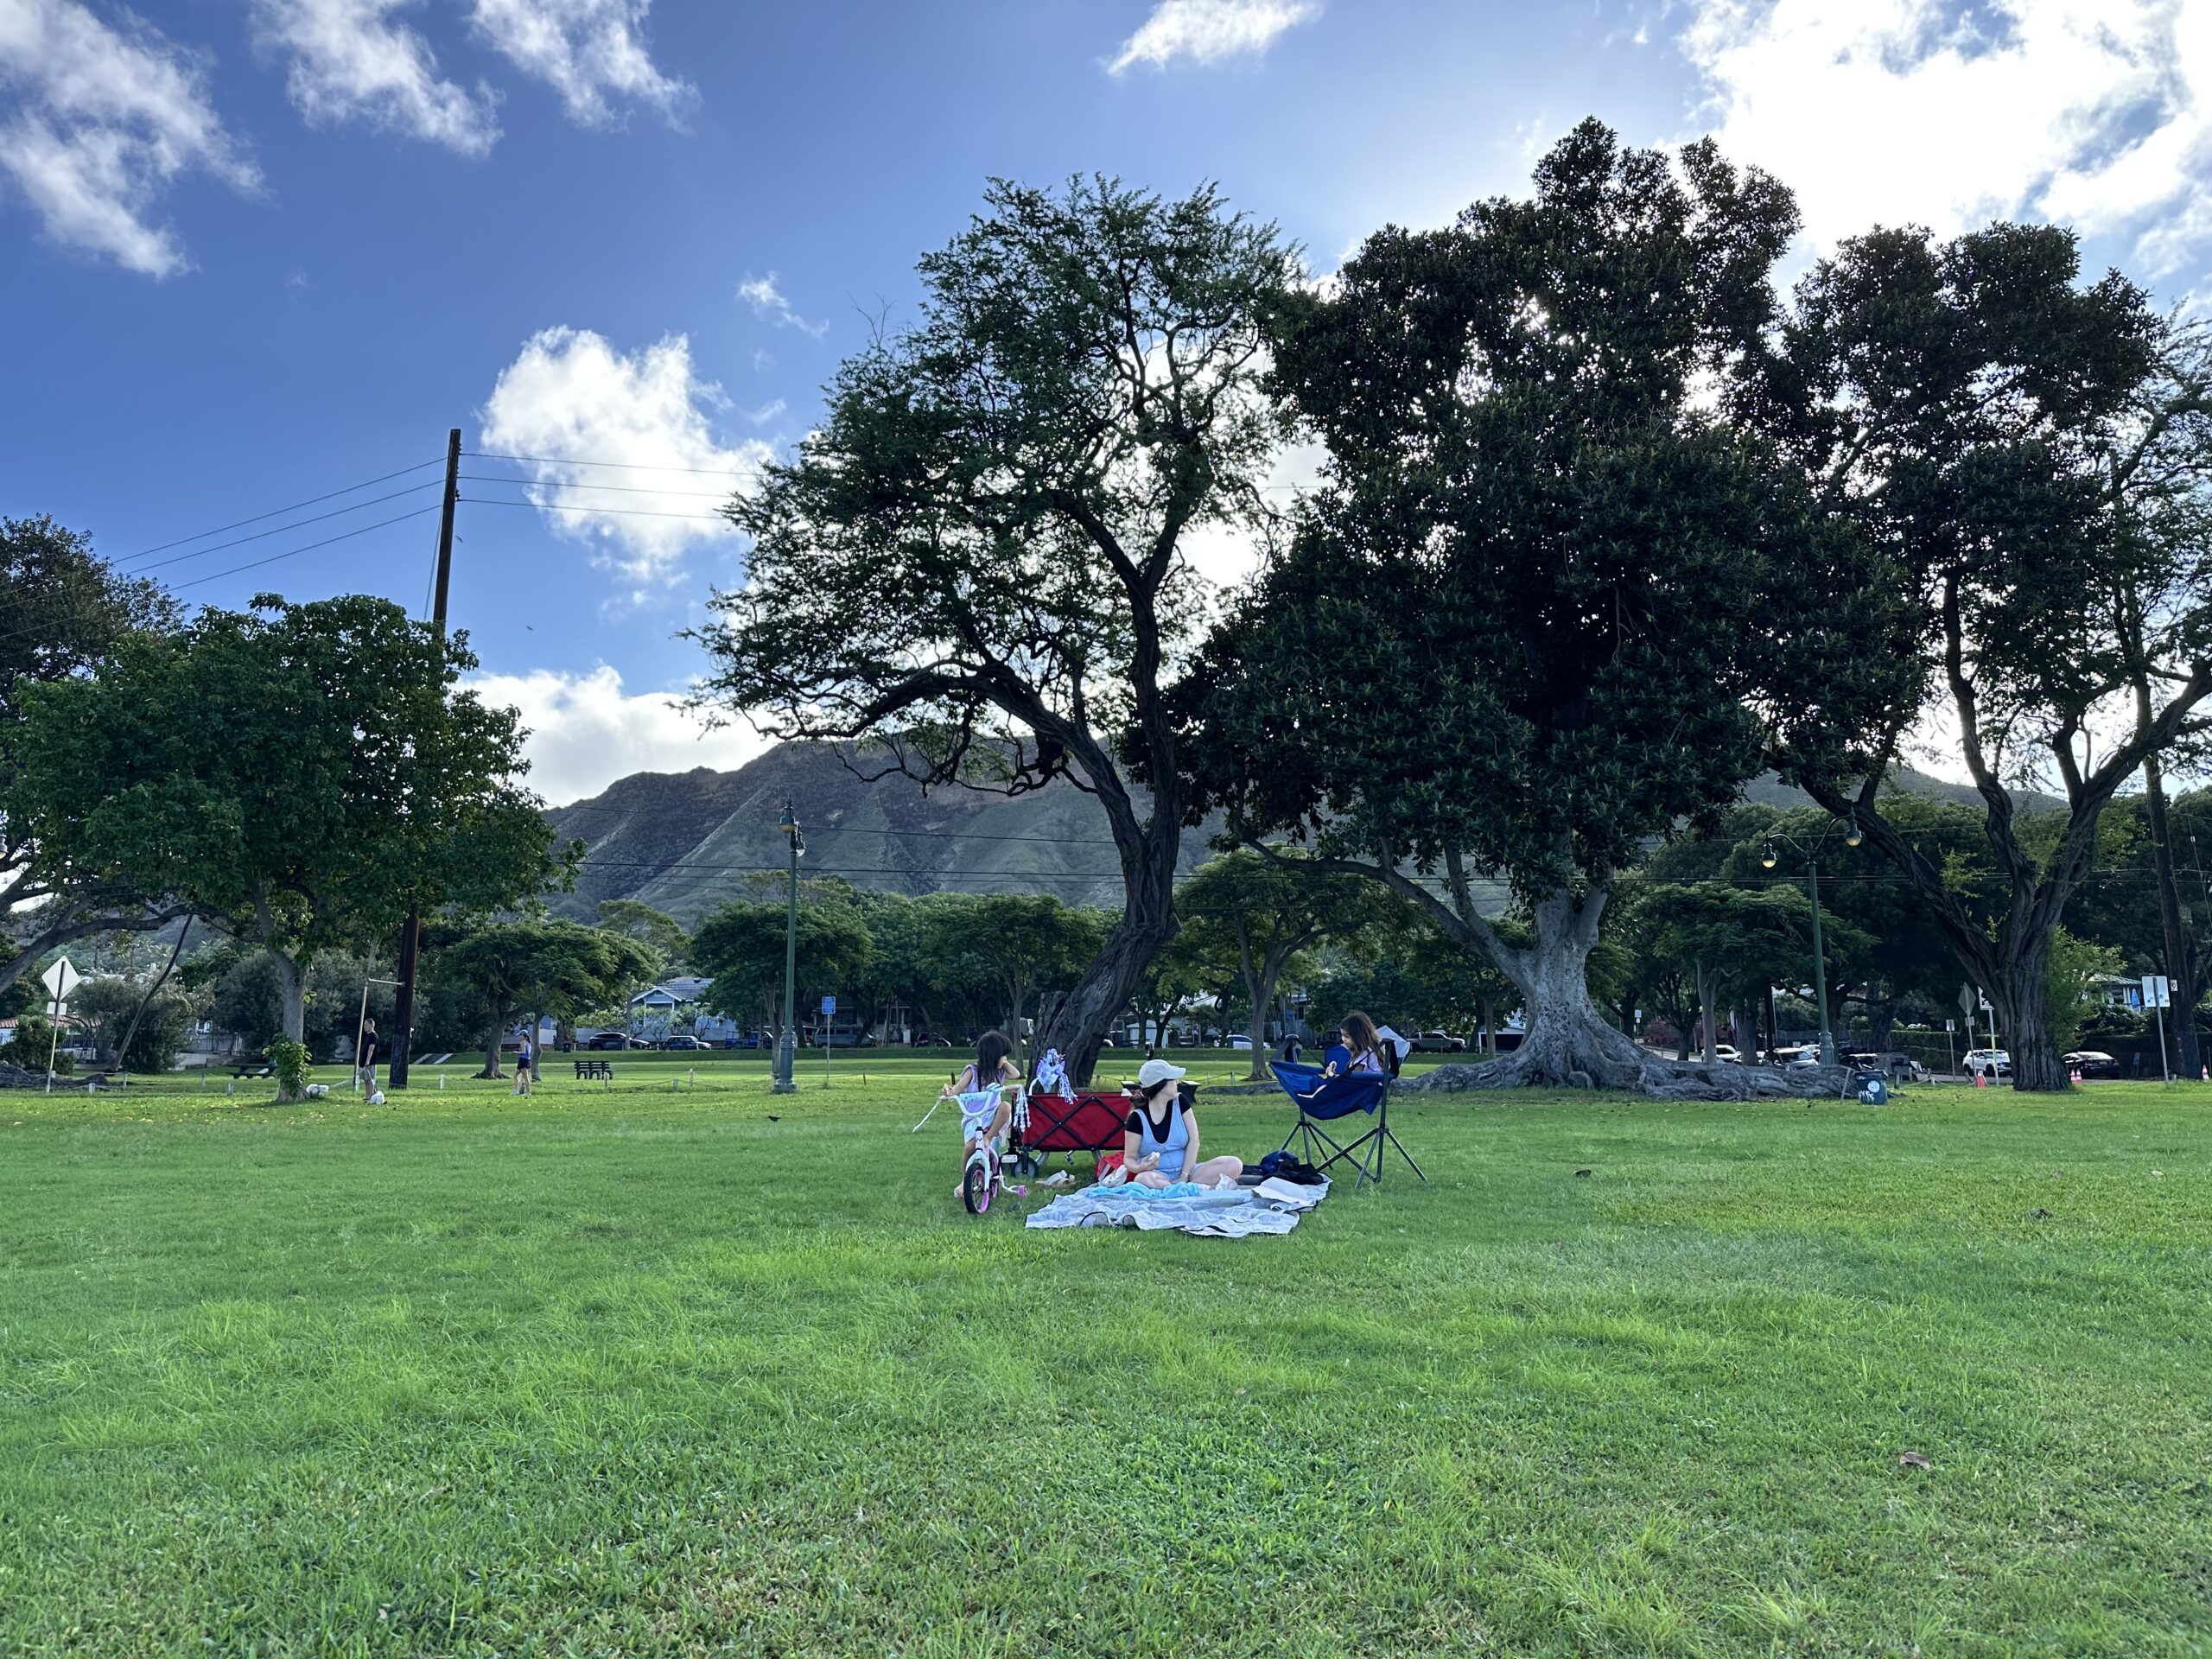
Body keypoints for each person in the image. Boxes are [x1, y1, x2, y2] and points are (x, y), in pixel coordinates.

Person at [1121, 1058, 1243, 1189]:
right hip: (1158, 1175)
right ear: (1161, 1085)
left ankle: (1182, 1189)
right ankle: (1189, 1189)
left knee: (1233, 1164)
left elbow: (1194, 1141)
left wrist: (1184, 1176)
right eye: (1173, 1079)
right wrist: (1140, 1167)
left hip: (1190, 1173)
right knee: (1143, 1179)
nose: (1177, 1082)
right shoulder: (1137, 1118)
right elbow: (1129, 1159)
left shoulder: (1180, 1102)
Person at [943, 1030, 1020, 1194]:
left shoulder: (1000, 1072)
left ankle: (988, 1137)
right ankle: (965, 1180)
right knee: (970, 1147)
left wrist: (1004, 1062)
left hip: (993, 1116)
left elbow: (1016, 1074)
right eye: (1003, 1055)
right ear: (993, 1056)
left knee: (1006, 1106)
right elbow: (958, 1088)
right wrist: (950, 1093)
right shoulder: (973, 1071)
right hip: (975, 1118)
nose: (1005, 1059)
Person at [1324, 1011, 1390, 1077]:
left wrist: (1332, 1075)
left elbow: (1353, 1080)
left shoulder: (1364, 1053)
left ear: (1359, 1036)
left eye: (1347, 1036)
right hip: (1371, 1086)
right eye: (1342, 1035)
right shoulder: (1373, 1050)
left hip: (1364, 1087)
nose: (1343, 1039)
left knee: (1321, 1086)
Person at [355, 1017, 378, 1092]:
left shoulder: (373, 1036)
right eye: (364, 1025)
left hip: (369, 1063)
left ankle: (371, 1096)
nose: (364, 1026)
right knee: (365, 1079)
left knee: (370, 1080)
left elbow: (371, 1049)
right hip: (363, 1062)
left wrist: (368, 1060)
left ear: (371, 1025)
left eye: (366, 1025)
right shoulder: (368, 1036)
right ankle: (367, 1095)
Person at [513, 1030, 533, 1096]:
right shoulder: (528, 1043)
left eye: (520, 1035)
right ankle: (516, 1090)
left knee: (526, 1077)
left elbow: (523, 1052)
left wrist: (516, 1052)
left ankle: (528, 1092)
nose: (519, 1037)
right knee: (515, 1074)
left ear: (524, 1036)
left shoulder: (523, 1042)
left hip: (523, 1060)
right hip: (524, 1060)